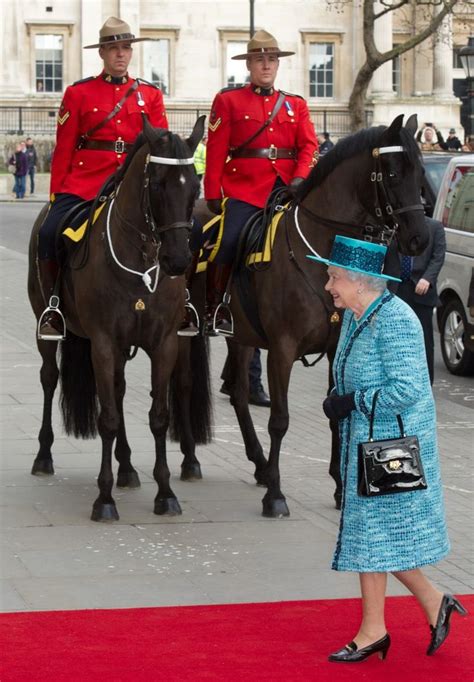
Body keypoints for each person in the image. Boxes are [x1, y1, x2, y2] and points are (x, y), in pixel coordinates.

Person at [307, 235, 467, 663]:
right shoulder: (360, 316)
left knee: (381, 537)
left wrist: (351, 402)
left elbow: (409, 388)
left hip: (392, 447)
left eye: (334, 278)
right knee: (371, 535)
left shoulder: (395, 320)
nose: (329, 286)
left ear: (360, 283)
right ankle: (382, 625)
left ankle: (411, 612)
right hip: (368, 441)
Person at [37, 16, 168, 340]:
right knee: (49, 232)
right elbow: (65, 149)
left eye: (125, 48)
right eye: (113, 49)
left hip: (134, 186)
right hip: (86, 182)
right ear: (103, 54)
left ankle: (180, 306)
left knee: (181, 233)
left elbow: (161, 146)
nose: (120, 55)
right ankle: (53, 306)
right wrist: (57, 195)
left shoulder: (150, 96)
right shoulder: (79, 93)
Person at [202, 29, 318, 336]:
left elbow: (309, 146)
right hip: (247, 191)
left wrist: (300, 177)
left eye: (271, 59)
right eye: (259, 60)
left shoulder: (296, 104)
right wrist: (213, 193)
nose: (266, 65)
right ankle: (218, 305)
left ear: (278, 65)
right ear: (249, 66)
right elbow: (215, 150)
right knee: (228, 242)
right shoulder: (228, 101)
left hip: (287, 190)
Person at [396, 218, 446, 384]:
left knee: (424, 342)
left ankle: (425, 384)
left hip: (421, 292)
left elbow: (438, 257)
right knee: (395, 339)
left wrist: (427, 279)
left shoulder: (434, 227)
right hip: (395, 289)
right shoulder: (394, 226)